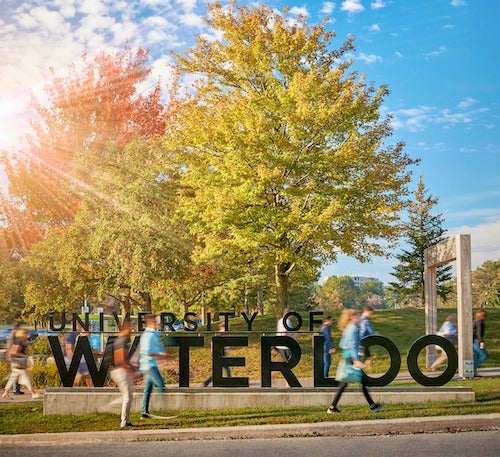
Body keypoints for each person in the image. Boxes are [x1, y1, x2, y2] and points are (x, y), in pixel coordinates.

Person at [327, 309, 384, 414]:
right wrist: (356, 360)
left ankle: (332, 407)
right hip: (351, 359)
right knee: (360, 382)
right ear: (352, 317)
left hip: (347, 357)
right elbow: (353, 345)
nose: (359, 318)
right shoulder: (353, 329)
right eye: (357, 316)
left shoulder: (348, 328)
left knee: (344, 384)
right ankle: (373, 406)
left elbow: (342, 344)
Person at [109, 320, 141, 429]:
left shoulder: (120, 341)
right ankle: (124, 422)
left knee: (129, 396)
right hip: (121, 371)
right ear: (123, 329)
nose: (131, 330)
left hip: (120, 371)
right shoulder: (121, 341)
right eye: (129, 328)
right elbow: (120, 360)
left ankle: (126, 420)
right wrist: (132, 372)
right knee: (128, 396)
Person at [139, 314, 168, 418]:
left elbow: (157, 347)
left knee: (147, 389)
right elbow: (148, 352)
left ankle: (144, 412)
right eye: (155, 321)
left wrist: (163, 352)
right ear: (150, 323)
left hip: (152, 365)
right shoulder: (148, 335)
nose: (157, 323)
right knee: (160, 385)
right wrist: (161, 354)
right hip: (148, 366)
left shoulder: (154, 334)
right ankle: (164, 407)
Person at [2, 328, 40, 399]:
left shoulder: (18, 341)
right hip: (19, 362)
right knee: (27, 378)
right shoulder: (19, 342)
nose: (27, 335)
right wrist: (24, 356)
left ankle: (5, 392)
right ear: (22, 335)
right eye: (25, 334)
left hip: (16, 362)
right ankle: (33, 393)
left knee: (13, 378)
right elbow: (14, 352)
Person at [63, 321, 93, 387]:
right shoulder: (73, 334)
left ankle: (90, 389)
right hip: (73, 359)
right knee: (86, 374)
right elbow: (68, 349)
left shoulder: (79, 335)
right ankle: (91, 389)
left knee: (85, 374)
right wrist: (74, 362)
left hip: (78, 359)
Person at [203, 322, 231, 387]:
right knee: (224, 369)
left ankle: (207, 382)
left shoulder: (220, 334)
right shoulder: (220, 334)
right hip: (220, 354)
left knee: (220, 370)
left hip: (219, 353)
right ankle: (229, 381)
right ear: (222, 327)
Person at [5, 324, 24, 395]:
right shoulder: (13, 337)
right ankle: (16, 389)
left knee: (17, 374)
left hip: (14, 357)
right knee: (16, 374)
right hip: (14, 357)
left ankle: (16, 389)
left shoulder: (12, 336)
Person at [473, 309, 487, 376]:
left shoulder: (476, 321)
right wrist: (481, 341)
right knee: (483, 356)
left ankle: (474, 372)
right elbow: (478, 333)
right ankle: (472, 368)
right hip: (477, 341)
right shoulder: (479, 322)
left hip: (474, 340)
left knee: (476, 356)